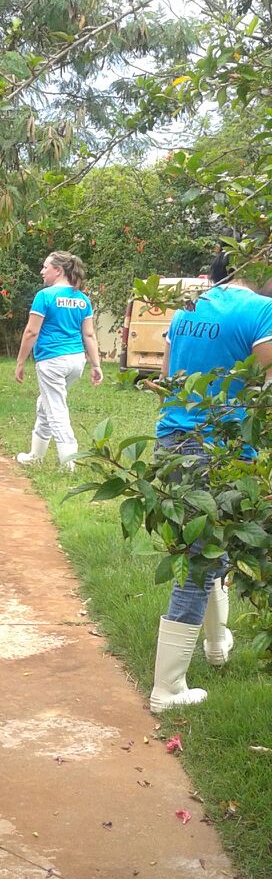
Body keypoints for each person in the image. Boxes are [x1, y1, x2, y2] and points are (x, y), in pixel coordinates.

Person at [149, 252, 272, 712]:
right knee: (200, 566)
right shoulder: (261, 310)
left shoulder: (187, 309)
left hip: (171, 442)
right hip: (219, 452)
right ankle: (167, 688)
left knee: (210, 546)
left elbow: (167, 379)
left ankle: (217, 647)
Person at [14, 251, 103, 468]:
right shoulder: (82, 299)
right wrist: (96, 364)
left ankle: (68, 463)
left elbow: (31, 333)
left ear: (58, 270)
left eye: (45, 267)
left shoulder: (45, 296)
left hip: (52, 360)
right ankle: (35, 456)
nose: (42, 271)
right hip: (75, 361)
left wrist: (20, 361)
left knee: (56, 410)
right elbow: (89, 335)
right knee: (45, 404)